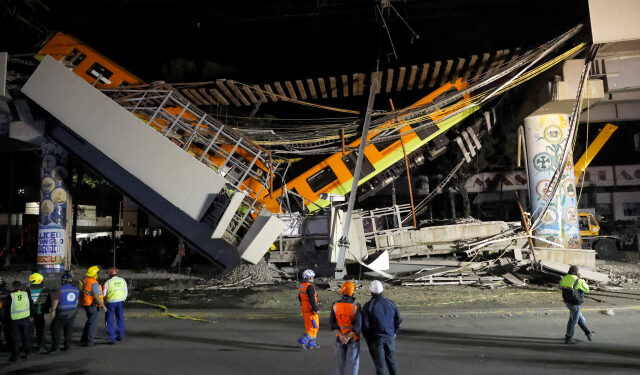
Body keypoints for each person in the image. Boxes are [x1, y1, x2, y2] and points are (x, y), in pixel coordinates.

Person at [362, 280, 402, 375]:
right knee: (391, 361)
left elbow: (365, 326)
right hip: (390, 336)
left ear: (370, 291)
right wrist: (395, 331)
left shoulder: (368, 306)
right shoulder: (390, 303)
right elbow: (398, 319)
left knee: (380, 365)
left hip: (376, 338)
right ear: (382, 290)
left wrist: (368, 338)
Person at [330, 281, 362, 375]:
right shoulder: (356, 306)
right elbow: (358, 325)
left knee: (340, 364)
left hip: (339, 339)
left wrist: (341, 336)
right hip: (353, 339)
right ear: (352, 292)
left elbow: (332, 324)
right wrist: (348, 337)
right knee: (353, 364)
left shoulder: (335, 305)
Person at [560, 265, 594, 344]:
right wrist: (581, 279)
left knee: (578, 318)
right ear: (576, 272)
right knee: (573, 320)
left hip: (567, 302)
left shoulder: (564, 278)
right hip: (575, 302)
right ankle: (569, 338)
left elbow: (561, 285)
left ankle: (588, 333)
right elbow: (587, 289)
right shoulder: (578, 280)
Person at [49, 271, 79, 352]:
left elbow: (55, 301)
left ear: (63, 281)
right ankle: (67, 346)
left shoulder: (61, 290)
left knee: (55, 329)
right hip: (72, 312)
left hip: (62, 313)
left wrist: (53, 310)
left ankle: (55, 347)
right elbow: (77, 301)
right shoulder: (76, 290)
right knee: (68, 329)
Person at [80, 265, 106, 346]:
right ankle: (89, 341)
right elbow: (96, 296)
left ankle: (83, 338)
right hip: (93, 305)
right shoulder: (94, 283)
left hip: (86, 304)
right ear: (94, 274)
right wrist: (103, 306)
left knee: (89, 321)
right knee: (93, 324)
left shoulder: (85, 280)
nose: (98, 275)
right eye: (97, 273)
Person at [103, 267, 128, 344]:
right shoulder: (122, 281)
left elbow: (103, 294)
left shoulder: (108, 282)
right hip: (120, 302)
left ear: (110, 274)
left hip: (110, 303)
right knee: (120, 319)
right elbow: (125, 292)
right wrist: (123, 299)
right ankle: (120, 336)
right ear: (117, 273)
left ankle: (112, 338)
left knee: (109, 320)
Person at [8, 280, 32, 362]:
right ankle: (28, 352)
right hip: (25, 318)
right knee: (26, 337)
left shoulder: (10, 296)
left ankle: (15, 356)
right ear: (21, 286)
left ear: (13, 287)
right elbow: (30, 304)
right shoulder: (26, 294)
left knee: (16, 339)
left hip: (15, 319)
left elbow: (7, 308)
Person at [297, 269, 320, 349]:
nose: (312, 278)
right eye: (312, 277)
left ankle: (312, 343)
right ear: (309, 277)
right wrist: (316, 309)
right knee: (314, 327)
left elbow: (300, 298)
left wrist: (304, 305)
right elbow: (312, 299)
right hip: (311, 311)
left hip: (305, 310)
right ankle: (303, 339)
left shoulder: (302, 286)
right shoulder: (310, 287)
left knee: (309, 327)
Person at [28, 272, 51, 352]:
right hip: (40, 313)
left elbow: (28, 303)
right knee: (40, 331)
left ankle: (29, 348)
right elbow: (48, 302)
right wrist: (46, 311)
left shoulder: (28, 290)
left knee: (30, 331)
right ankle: (40, 346)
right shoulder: (45, 289)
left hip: (31, 314)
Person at [0, 276, 12, 352]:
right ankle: (9, 346)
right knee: (7, 332)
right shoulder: (9, 293)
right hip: (7, 316)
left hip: (2, 315)